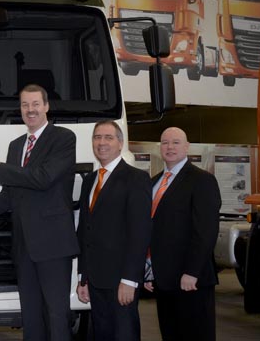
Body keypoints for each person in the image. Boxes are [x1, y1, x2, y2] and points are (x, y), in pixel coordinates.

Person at [0, 84, 79, 341]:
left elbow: (43, 178)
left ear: (46, 106)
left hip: (53, 245)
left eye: (35, 104)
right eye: (24, 105)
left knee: (56, 315)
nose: (30, 110)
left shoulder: (63, 138)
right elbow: (10, 194)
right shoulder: (16, 145)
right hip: (23, 246)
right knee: (30, 317)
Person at [75, 120, 152, 340]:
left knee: (124, 334)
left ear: (120, 143)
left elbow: (140, 232)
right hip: (96, 281)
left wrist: (129, 280)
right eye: (97, 137)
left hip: (121, 280)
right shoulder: (90, 180)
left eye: (108, 137)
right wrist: (83, 278)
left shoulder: (136, 179)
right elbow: (85, 232)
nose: (101, 143)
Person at [144, 127, 221, 341]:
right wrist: (149, 270)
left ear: (187, 147)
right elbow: (152, 229)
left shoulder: (201, 180)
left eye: (176, 142)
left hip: (190, 280)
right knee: (171, 334)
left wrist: (192, 272)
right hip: (163, 279)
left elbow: (205, 230)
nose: (170, 147)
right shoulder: (153, 182)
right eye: (165, 142)